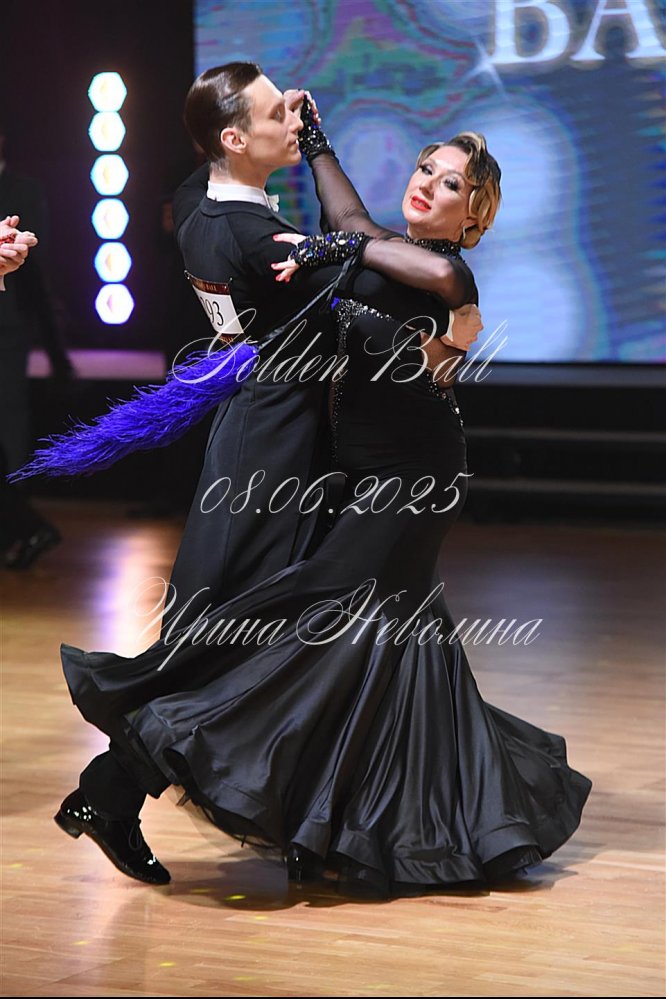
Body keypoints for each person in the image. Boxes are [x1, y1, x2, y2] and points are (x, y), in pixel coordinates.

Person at [55, 82, 592, 898]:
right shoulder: (379, 245)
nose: (428, 184)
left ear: (472, 217)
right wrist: (314, 140)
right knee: (385, 654)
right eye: (426, 168)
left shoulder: (445, 274)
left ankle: (122, 779)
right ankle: (343, 823)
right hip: (363, 479)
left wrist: (325, 250)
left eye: (451, 183)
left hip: (412, 485)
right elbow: (351, 225)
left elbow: (407, 267)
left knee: (302, 623)